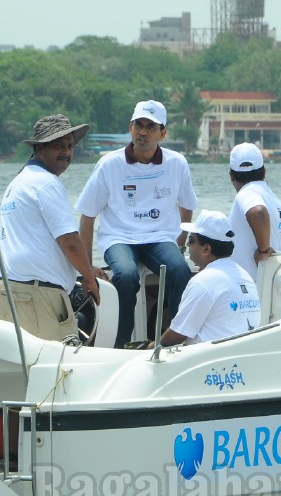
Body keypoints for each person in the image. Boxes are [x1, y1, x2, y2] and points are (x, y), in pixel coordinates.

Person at [76, 100, 198, 347]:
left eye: (150, 127)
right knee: (126, 274)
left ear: (162, 133)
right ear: (130, 128)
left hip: (160, 237)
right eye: (138, 125)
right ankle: (120, 345)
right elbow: (87, 216)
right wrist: (87, 268)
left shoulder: (177, 163)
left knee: (180, 270)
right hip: (119, 238)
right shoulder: (110, 164)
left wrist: (181, 241)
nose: (143, 132)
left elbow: (187, 204)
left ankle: (176, 342)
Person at [0, 114, 100, 342]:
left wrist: (88, 268)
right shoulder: (46, 183)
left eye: (69, 146)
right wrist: (89, 278)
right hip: (32, 296)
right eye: (58, 146)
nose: (66, 152)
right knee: (58, 368)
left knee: (21, 370)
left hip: (3, 292)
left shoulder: (18, 182)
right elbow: (69, 241)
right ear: (39, 148)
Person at [149, 210, 260, 348]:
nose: (188, 245)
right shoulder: (244, 275)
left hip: (211, 362)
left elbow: (177, 334)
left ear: (206, 249)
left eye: (191, 240)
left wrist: (147, 349)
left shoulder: (203, 281)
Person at [227, 142, 281, 280]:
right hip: (271, 283)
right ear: (264, 171)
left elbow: (258, 212)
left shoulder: (248, 192)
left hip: (251, 287)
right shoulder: (273, 199)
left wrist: (263, 251)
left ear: (231, 175)